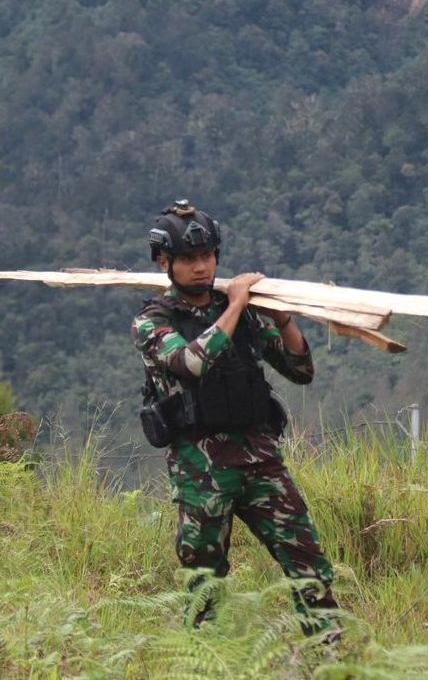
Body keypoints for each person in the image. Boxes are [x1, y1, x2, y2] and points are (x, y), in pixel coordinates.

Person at [132, 200, 339, 636]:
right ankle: (209, 658)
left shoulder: (243, 315)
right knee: (204, 576)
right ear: (163, 262)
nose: (201, 267)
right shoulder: (154, 321)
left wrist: (282, 319)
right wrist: (236, 305)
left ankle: (331, 655)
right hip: (201, 466)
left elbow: (300, 370)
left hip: (260, 458)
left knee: (308, 562)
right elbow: (189, 364)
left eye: (207, 256)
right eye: (188, 259)